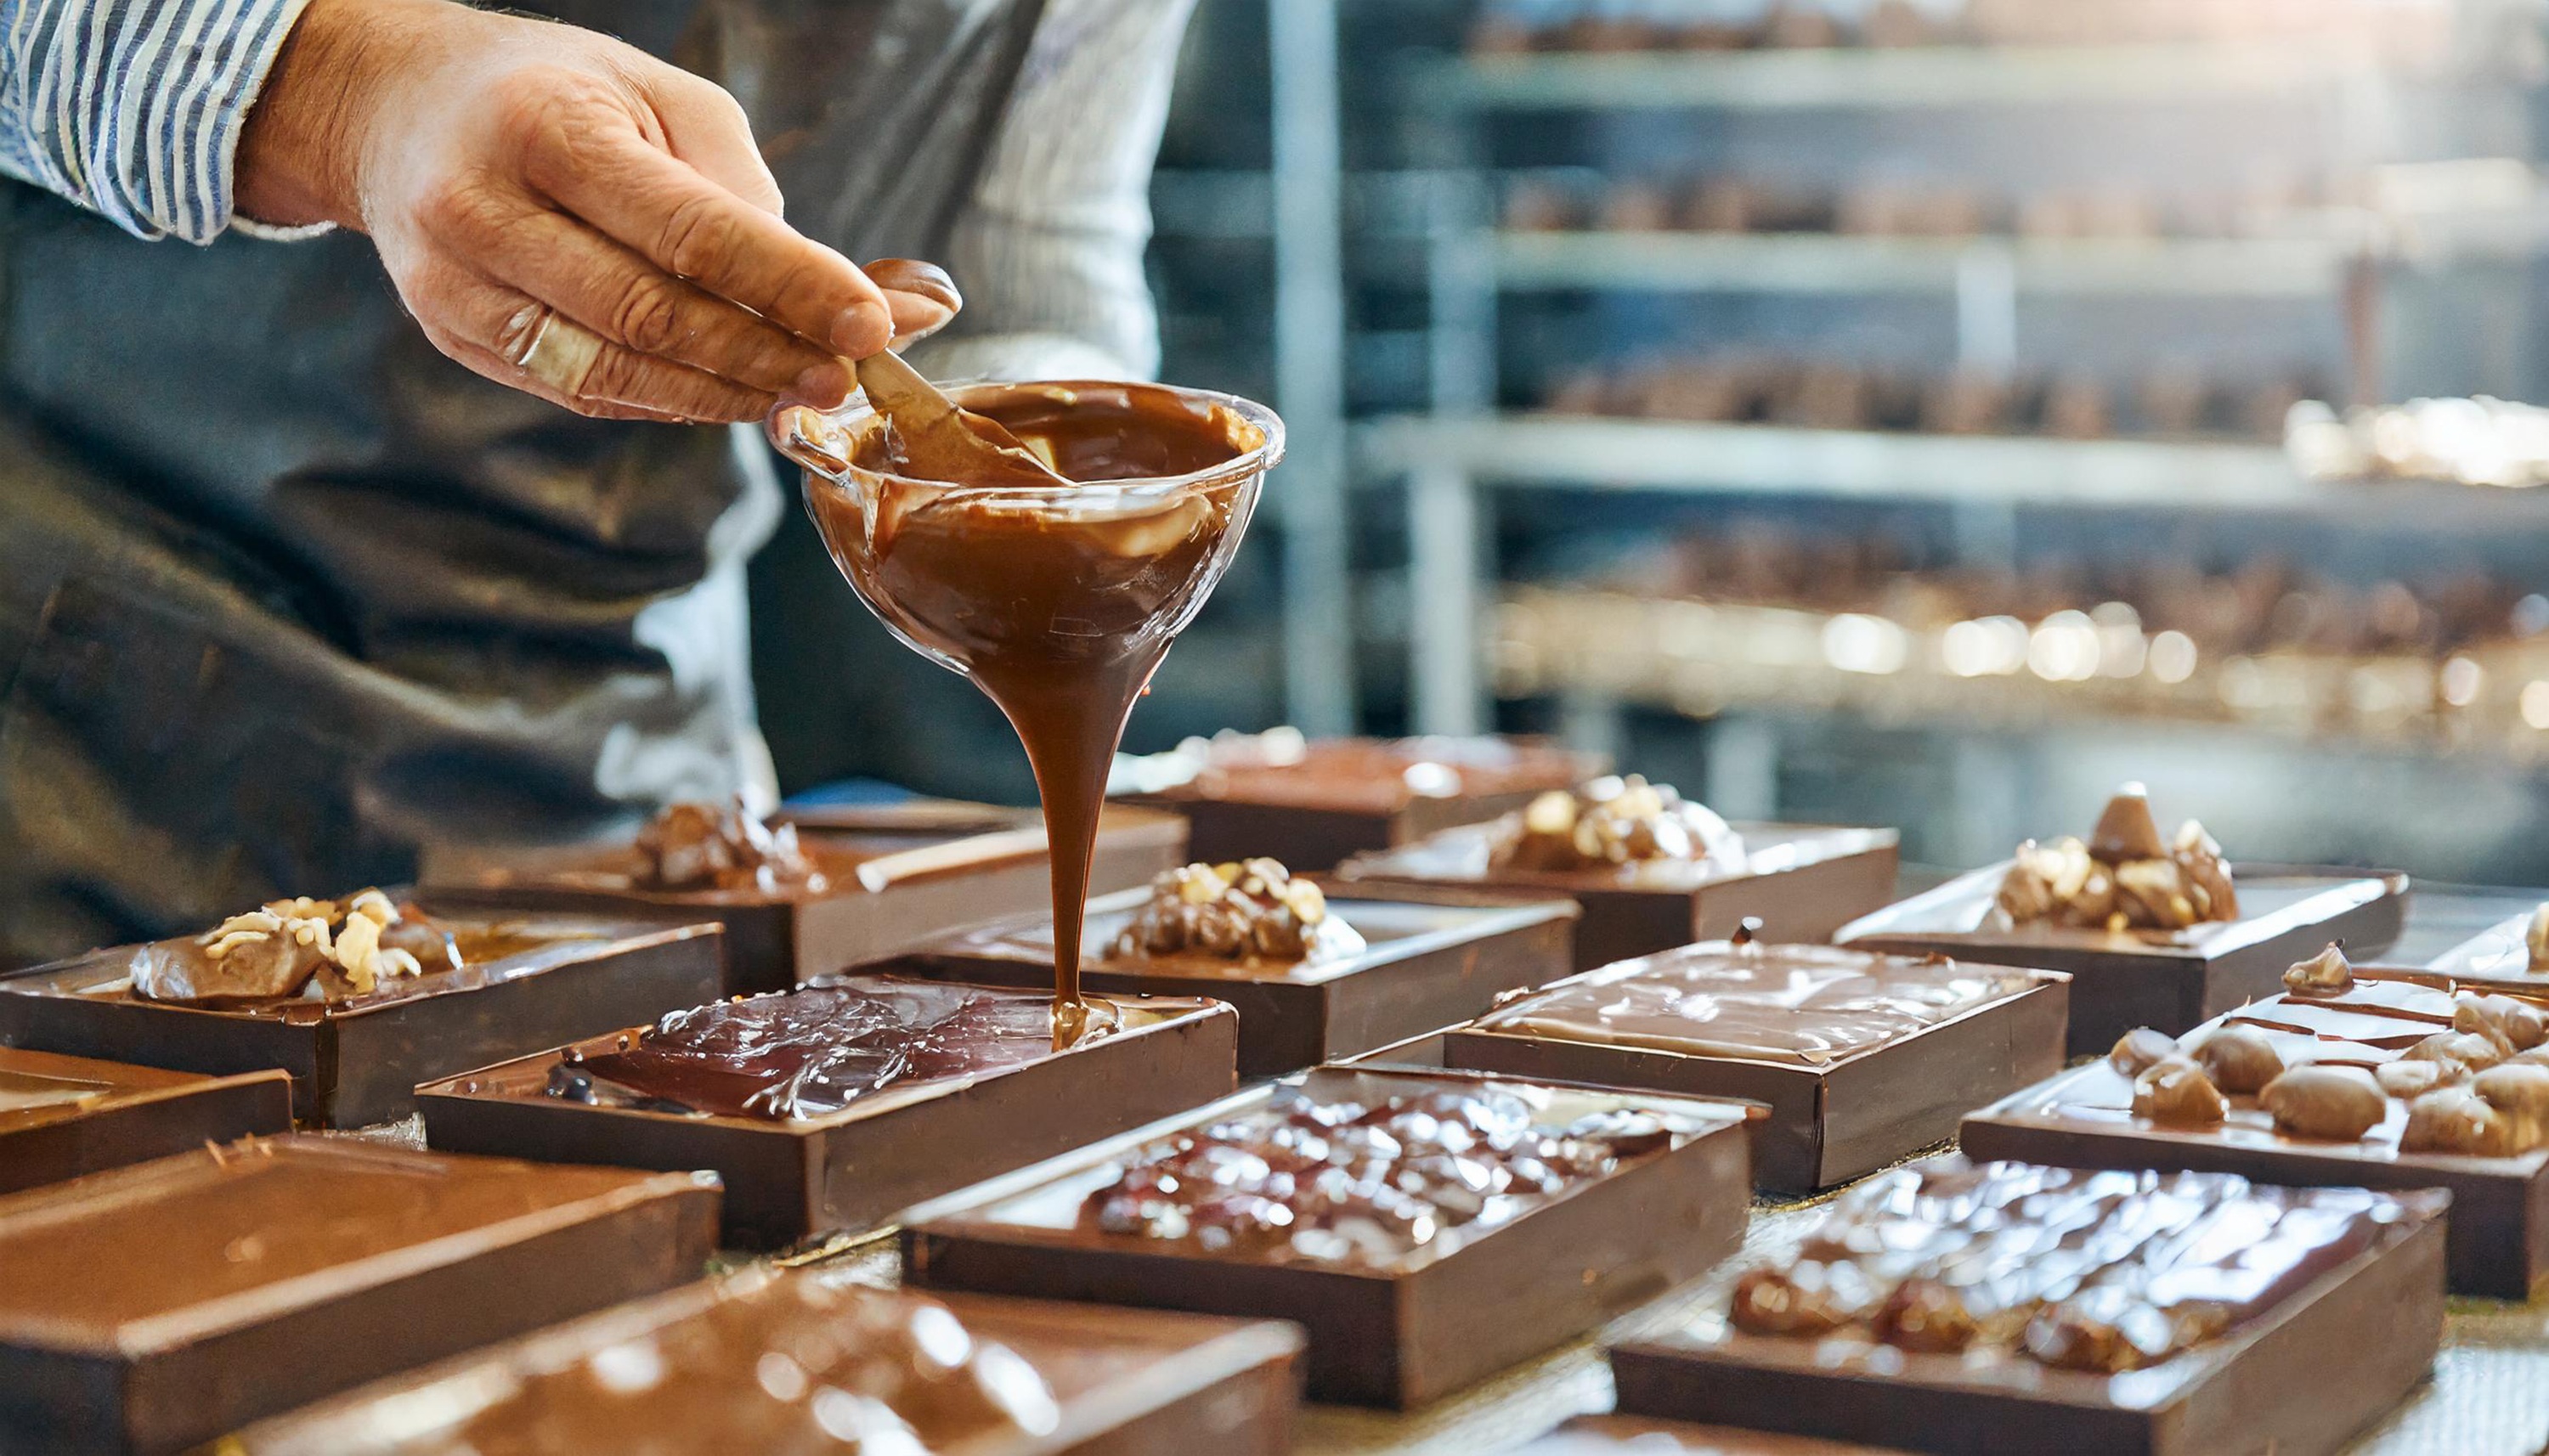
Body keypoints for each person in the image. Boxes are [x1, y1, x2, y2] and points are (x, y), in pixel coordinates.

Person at [0, 0, 1195, 964]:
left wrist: (1065, 499)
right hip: (89, 745)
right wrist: (345, 88)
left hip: (653, 803)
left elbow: (1024, 269)